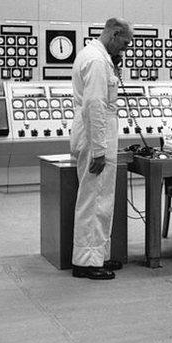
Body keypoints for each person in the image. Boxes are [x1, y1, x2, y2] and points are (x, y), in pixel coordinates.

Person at [70, 17, 133, 280]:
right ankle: (86, 263)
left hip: (99, 135)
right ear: (114, 34)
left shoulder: (99, 57)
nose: (125, 50)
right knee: (94, 200)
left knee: (101, 200)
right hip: (97, 137)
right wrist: (98, 149)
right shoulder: (96, 61)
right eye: (125, 43)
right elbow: (94, 105)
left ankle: (98, 256)